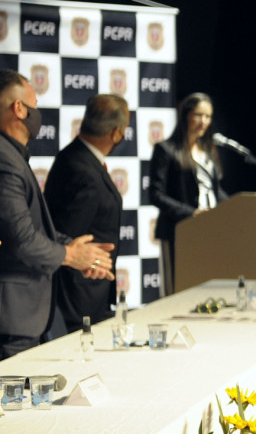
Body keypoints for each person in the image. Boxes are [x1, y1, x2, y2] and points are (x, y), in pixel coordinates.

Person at [0, 70, 114, 359]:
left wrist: (80, 251)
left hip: (25, 316)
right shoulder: (5, 160)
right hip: (12, 317)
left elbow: (34, 228)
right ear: (19, 109)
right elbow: (22, 240)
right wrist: (70, 255)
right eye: (35, 104)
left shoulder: (14, 156)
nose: (39, 113)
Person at [43, 94, 129, 332]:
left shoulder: (76, 156)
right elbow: (69, 236)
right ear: (116, 133)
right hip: (80, 295)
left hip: (87, 290)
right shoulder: (84, 170)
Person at [149, 92, 227, 296]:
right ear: (185, 115)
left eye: (208, 117)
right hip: (179, 230)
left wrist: (237, 206)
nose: (204, 122)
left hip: (211, 229)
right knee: (178, 291)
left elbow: (215, 191)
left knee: (205, 290)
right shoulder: (166, 150)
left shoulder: (208, 151)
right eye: (199, 115)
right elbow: (156, 194)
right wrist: (192, 213)